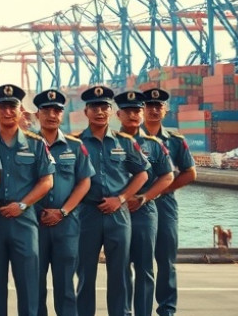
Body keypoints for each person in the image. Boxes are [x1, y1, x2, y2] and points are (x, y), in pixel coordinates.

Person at [75, 86, 149, 316]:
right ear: (86, 111)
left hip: (118, 215)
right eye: (94, 107)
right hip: (87, 214)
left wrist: (121, 198)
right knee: (85, 273)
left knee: (120, 274)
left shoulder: (125, 142)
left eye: (104, 107)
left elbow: (142, 173)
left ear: (111, 111)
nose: (100, 111)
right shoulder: (75, 143)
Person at [0, 84, 55, 316]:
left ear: (20, 110)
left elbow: (47, 181)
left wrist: (22, 205)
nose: (7, 112)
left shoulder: (36, 143)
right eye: (2, 107)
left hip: (24, 220)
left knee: (28, 285)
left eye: (12, 107)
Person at [32, 89, 94, 316]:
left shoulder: (75, 146)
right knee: (34, 286)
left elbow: (84, 183)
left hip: (66, 226)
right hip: (34, 225)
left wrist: (63, 211)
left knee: (66, 286)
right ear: (37, 114)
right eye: (46, 110)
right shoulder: (27, 146)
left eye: (56, 110)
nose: (51, 115)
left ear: (62, 114)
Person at [114, 90, 174, 316]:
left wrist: (144, 198)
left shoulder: (154, 144)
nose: (133, 115)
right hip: (116, 213)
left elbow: (167, 176)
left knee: (145, 269)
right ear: (118, 114)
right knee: (120, 270)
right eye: (127, 111)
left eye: (137, 110)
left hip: (144, 212)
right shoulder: (108, 142)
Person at [141, 88, 196, 316]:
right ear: (142, 109)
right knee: (141, 263)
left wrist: (162, 190)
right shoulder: (128, 139)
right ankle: (140, 309)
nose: (154, 110)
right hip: (137, 206)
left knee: (166, 262)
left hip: (165, 205)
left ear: (166, 109)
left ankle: (167, 310)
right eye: (150, 106)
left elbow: (190, 172)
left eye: (158, 106)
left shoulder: (175, 141)